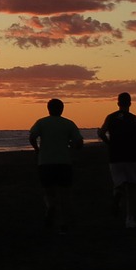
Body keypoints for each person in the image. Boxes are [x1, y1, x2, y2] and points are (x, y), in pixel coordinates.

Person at [28, 98, 83, 233]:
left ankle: (50, 206)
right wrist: (72, 147)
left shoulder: (41, 122)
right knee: (65, 194)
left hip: (45, 162)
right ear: (62, 109)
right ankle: (63, 223)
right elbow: (79, 141)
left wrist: (37, 149)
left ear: (48, 109)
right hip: (64, 162)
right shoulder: (68, 124)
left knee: (48, 191)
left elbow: (32, 136)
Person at [97, 92, 136, 227]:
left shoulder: (110, 117)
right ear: (130, 103)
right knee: (131, 188)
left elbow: (101, 133)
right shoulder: (134, 119)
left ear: (118, 103)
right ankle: (129, 219)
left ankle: (117, 194)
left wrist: (108, 143)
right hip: (131, 156)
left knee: (118, 183)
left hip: (115, 155)